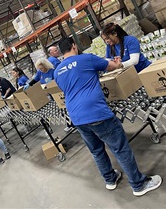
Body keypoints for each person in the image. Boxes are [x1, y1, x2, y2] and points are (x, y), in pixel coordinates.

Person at [54, 37, 162, 196]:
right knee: (120, 148)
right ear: (74, 46)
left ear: (61, 52)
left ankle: (110, 179)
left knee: (96, 150)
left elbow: (70, 86)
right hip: (96, 113)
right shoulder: (86, 58)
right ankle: (138, 184)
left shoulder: (57, 71)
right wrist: (117, 62)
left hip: (76, 117)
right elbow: (112, 66)